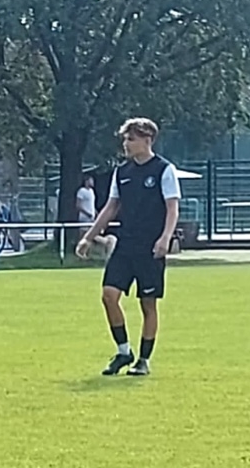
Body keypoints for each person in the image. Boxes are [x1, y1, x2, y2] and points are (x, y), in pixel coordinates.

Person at [76, 117, 182, 377]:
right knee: (108, 295)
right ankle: (124, 352)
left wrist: (165, 238)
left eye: (131, 139)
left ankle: (143, 360)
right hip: (125, 244)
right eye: (125, 139)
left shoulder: (164, 170)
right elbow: (111, 207)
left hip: (150, 247)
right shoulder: (122, 172)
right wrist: (88, 237)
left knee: (148, 304)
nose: (126, 143)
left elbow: (172, 208)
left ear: (147, 140)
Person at [77, 175, 116, 257]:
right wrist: (87, 213)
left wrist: (96, 213)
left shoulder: (91, 191)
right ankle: (84, 253)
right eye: (90, 180)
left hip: (91, 217)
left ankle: (105, 241)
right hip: (84, 218)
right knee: (84, 234)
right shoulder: (82, 191)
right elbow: (78, 205)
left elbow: (91, 204)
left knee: (89, 234)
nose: (92, 182)